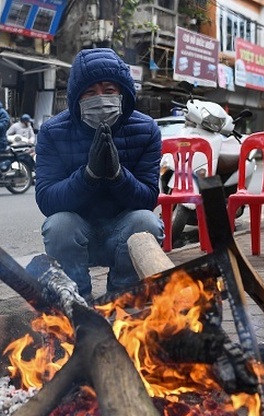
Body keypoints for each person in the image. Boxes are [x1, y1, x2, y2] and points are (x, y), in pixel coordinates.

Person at [35, 48, 164, 301]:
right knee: (58, 225)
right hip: (78, 233)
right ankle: (77, 304)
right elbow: (46, 199)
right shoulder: (53, 131)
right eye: (90, 92)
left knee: (146, 222)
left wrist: (118, 175)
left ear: (122, 93)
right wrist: (88, 176)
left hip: (122, 232)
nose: (100, 98)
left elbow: (149, 199)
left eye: (108, 91)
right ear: (76, 98)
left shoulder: (146, 130)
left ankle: (121, 301)